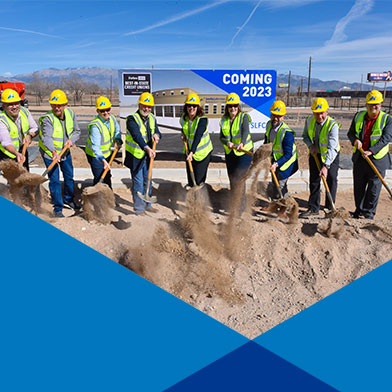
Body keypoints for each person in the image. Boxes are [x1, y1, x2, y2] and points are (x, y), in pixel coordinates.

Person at [347, 90, 392, 219]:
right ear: (366, 104)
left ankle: (368, 213)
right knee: (359, 186)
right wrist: (355, 140)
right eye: (371, 104)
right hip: (360, 157)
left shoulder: (387, 119)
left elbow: (386, 138)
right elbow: (350, 133)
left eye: (376, 104)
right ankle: (359, 210)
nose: (374, 107)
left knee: (374, 188)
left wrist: (371, 150)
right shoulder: (358, 116)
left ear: (381, 105)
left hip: (377, 159)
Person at [39, 89, 81, 218]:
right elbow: (47, 138)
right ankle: (58, 207)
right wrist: (53, 152)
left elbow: (76, 131)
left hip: (65, 152)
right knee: (55, 180)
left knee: (69, 176)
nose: (57, 108)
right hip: (49, 153)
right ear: (51, 105)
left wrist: (71, 140)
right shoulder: (48, 119)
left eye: (60, 105)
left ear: (65, 105)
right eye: (54, 105)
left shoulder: (70, 114)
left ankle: (69, 199)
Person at [301, 97, 340, 217]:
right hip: (315, 154)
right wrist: (310, 145)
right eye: (316, 113)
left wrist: (326, 166)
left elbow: (332, 148)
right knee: (314, 181)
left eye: (322, 113)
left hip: (331, 157)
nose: (319, 116)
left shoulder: (332, 125)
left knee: (331, 180)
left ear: (327, 112)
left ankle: (330, 208)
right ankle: (313, 208)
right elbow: (305, 136)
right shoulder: (309, 120)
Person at [125, 92, 161, 215]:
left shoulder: (152, 118)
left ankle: (148, 205)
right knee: (139, 183)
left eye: (149, 106)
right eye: (144, 105)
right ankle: (139, 209)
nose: (146, 108)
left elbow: (157, 131)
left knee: (148, 180)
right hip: (136, 157)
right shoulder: (131, 119)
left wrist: (157, 135)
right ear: (139, 104)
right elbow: (137, 136)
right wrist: (146, 147)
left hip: (147, 156)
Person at [85, 96, 122, 188]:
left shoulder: (112, 118)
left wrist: (118, 139)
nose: (106, 112)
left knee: (107, 176)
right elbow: (96, 147)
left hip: (107, 153)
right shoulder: (95, 126)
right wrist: (103, 161)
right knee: (99, 178)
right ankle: (97, 200)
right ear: (97, 111)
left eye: (107, 109)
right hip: (96, 156)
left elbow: (117, 129)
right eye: (102, 111)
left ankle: (108, 198)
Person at [264, 100, 298, 199]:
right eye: (274, 115)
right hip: (276, 160)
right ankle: (284, 205)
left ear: (283, 117)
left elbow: (288, 154)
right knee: (276, 182)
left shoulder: (287, 133)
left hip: (287, 163)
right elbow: (267, 141)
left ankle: (279, 207)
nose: (275, 118)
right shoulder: (269, 125)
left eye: (278, 116)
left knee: (279, 185)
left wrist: (276, 164)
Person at [219, 92, 253, 191]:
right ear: (227, 107)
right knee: (232, 178)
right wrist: (227, 143)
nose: (233, 108)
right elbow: (221, 137)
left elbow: (245, 131)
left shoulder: (243, 117)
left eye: (235, 106)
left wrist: (242, 143)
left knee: (240, 178)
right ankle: (234, 200)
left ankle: (240, 205)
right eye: (230, 106)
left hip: (244, 152)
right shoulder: (224, 119)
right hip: (230, 153)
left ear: (238, 106)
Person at [0, 88, 38, 170]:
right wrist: (16, 153)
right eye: (10, 104)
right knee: (13, 180)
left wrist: (29, 136)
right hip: (7, 154)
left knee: (24, 176)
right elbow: (6, 142)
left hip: (22, 149)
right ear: (3, 106)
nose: (14, 107)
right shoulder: (1, 120)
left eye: (16, 103)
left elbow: (35, 128)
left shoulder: (24, 111)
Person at [180, 93, 213, 187]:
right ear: (186, 107)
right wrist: (183, 134)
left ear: (198, 107)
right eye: (189, 105)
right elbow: (183, 128)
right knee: (191, 179)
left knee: (199, 181)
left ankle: (200, 200)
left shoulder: (202, 120)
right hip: (189, 152)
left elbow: (198, 136)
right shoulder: (184, 118)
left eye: (194, 106)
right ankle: (192, 200)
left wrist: (192, 152)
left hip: (203, 154)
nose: (191, 108)